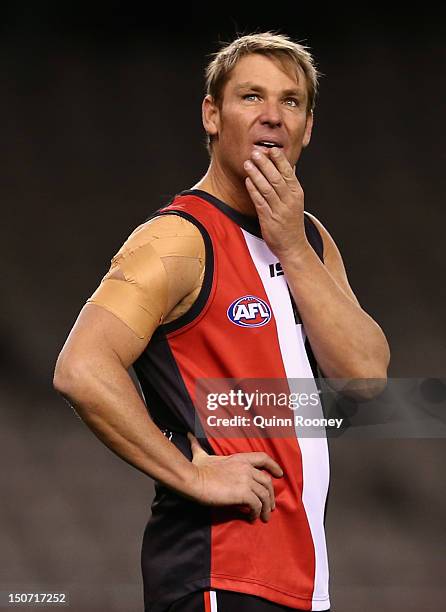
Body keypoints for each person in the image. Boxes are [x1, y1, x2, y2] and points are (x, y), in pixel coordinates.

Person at [53, 32, 390, 612]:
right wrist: (192, 471)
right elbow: (81, 369)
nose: (272, 117)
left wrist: (292, 245)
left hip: (301, 583)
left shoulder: (307, 241)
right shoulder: (177, 240)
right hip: (218, 571)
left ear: (308, 127)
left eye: (291, 102)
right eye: (250, 97)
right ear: (212, 115)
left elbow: (366, 380)